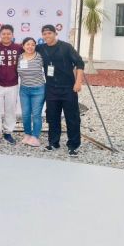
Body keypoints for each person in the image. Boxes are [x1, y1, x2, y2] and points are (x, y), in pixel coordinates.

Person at [36, 24, 84, 156]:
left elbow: (80, 63)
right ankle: (53, 142)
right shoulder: (40, 48)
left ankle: (73, 145)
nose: (47, 36)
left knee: (72, 117)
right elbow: (26, 48)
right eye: (44, 34)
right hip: (51, 88)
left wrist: (78, 82)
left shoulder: (66, 47)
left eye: (49, 33)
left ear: (55, 34)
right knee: (52, 116)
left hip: (68, 88)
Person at [0, 24, 23, 145]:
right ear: (0, 35)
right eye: (4, 34)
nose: (6, 36)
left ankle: (8, 132)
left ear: (12, 35)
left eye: (8, 34)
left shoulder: (18, 48)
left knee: (10, 109)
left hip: (13, 84)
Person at [17, 37, 45, 147]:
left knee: (36, 115)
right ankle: (27, 134)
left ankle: (35, 136)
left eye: (33, 44)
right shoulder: (19, 57)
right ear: (23, 46)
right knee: (25, 114)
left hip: (38, 90)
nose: (30, 46)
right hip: (24, 90)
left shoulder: (40, 57)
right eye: (28, 44)